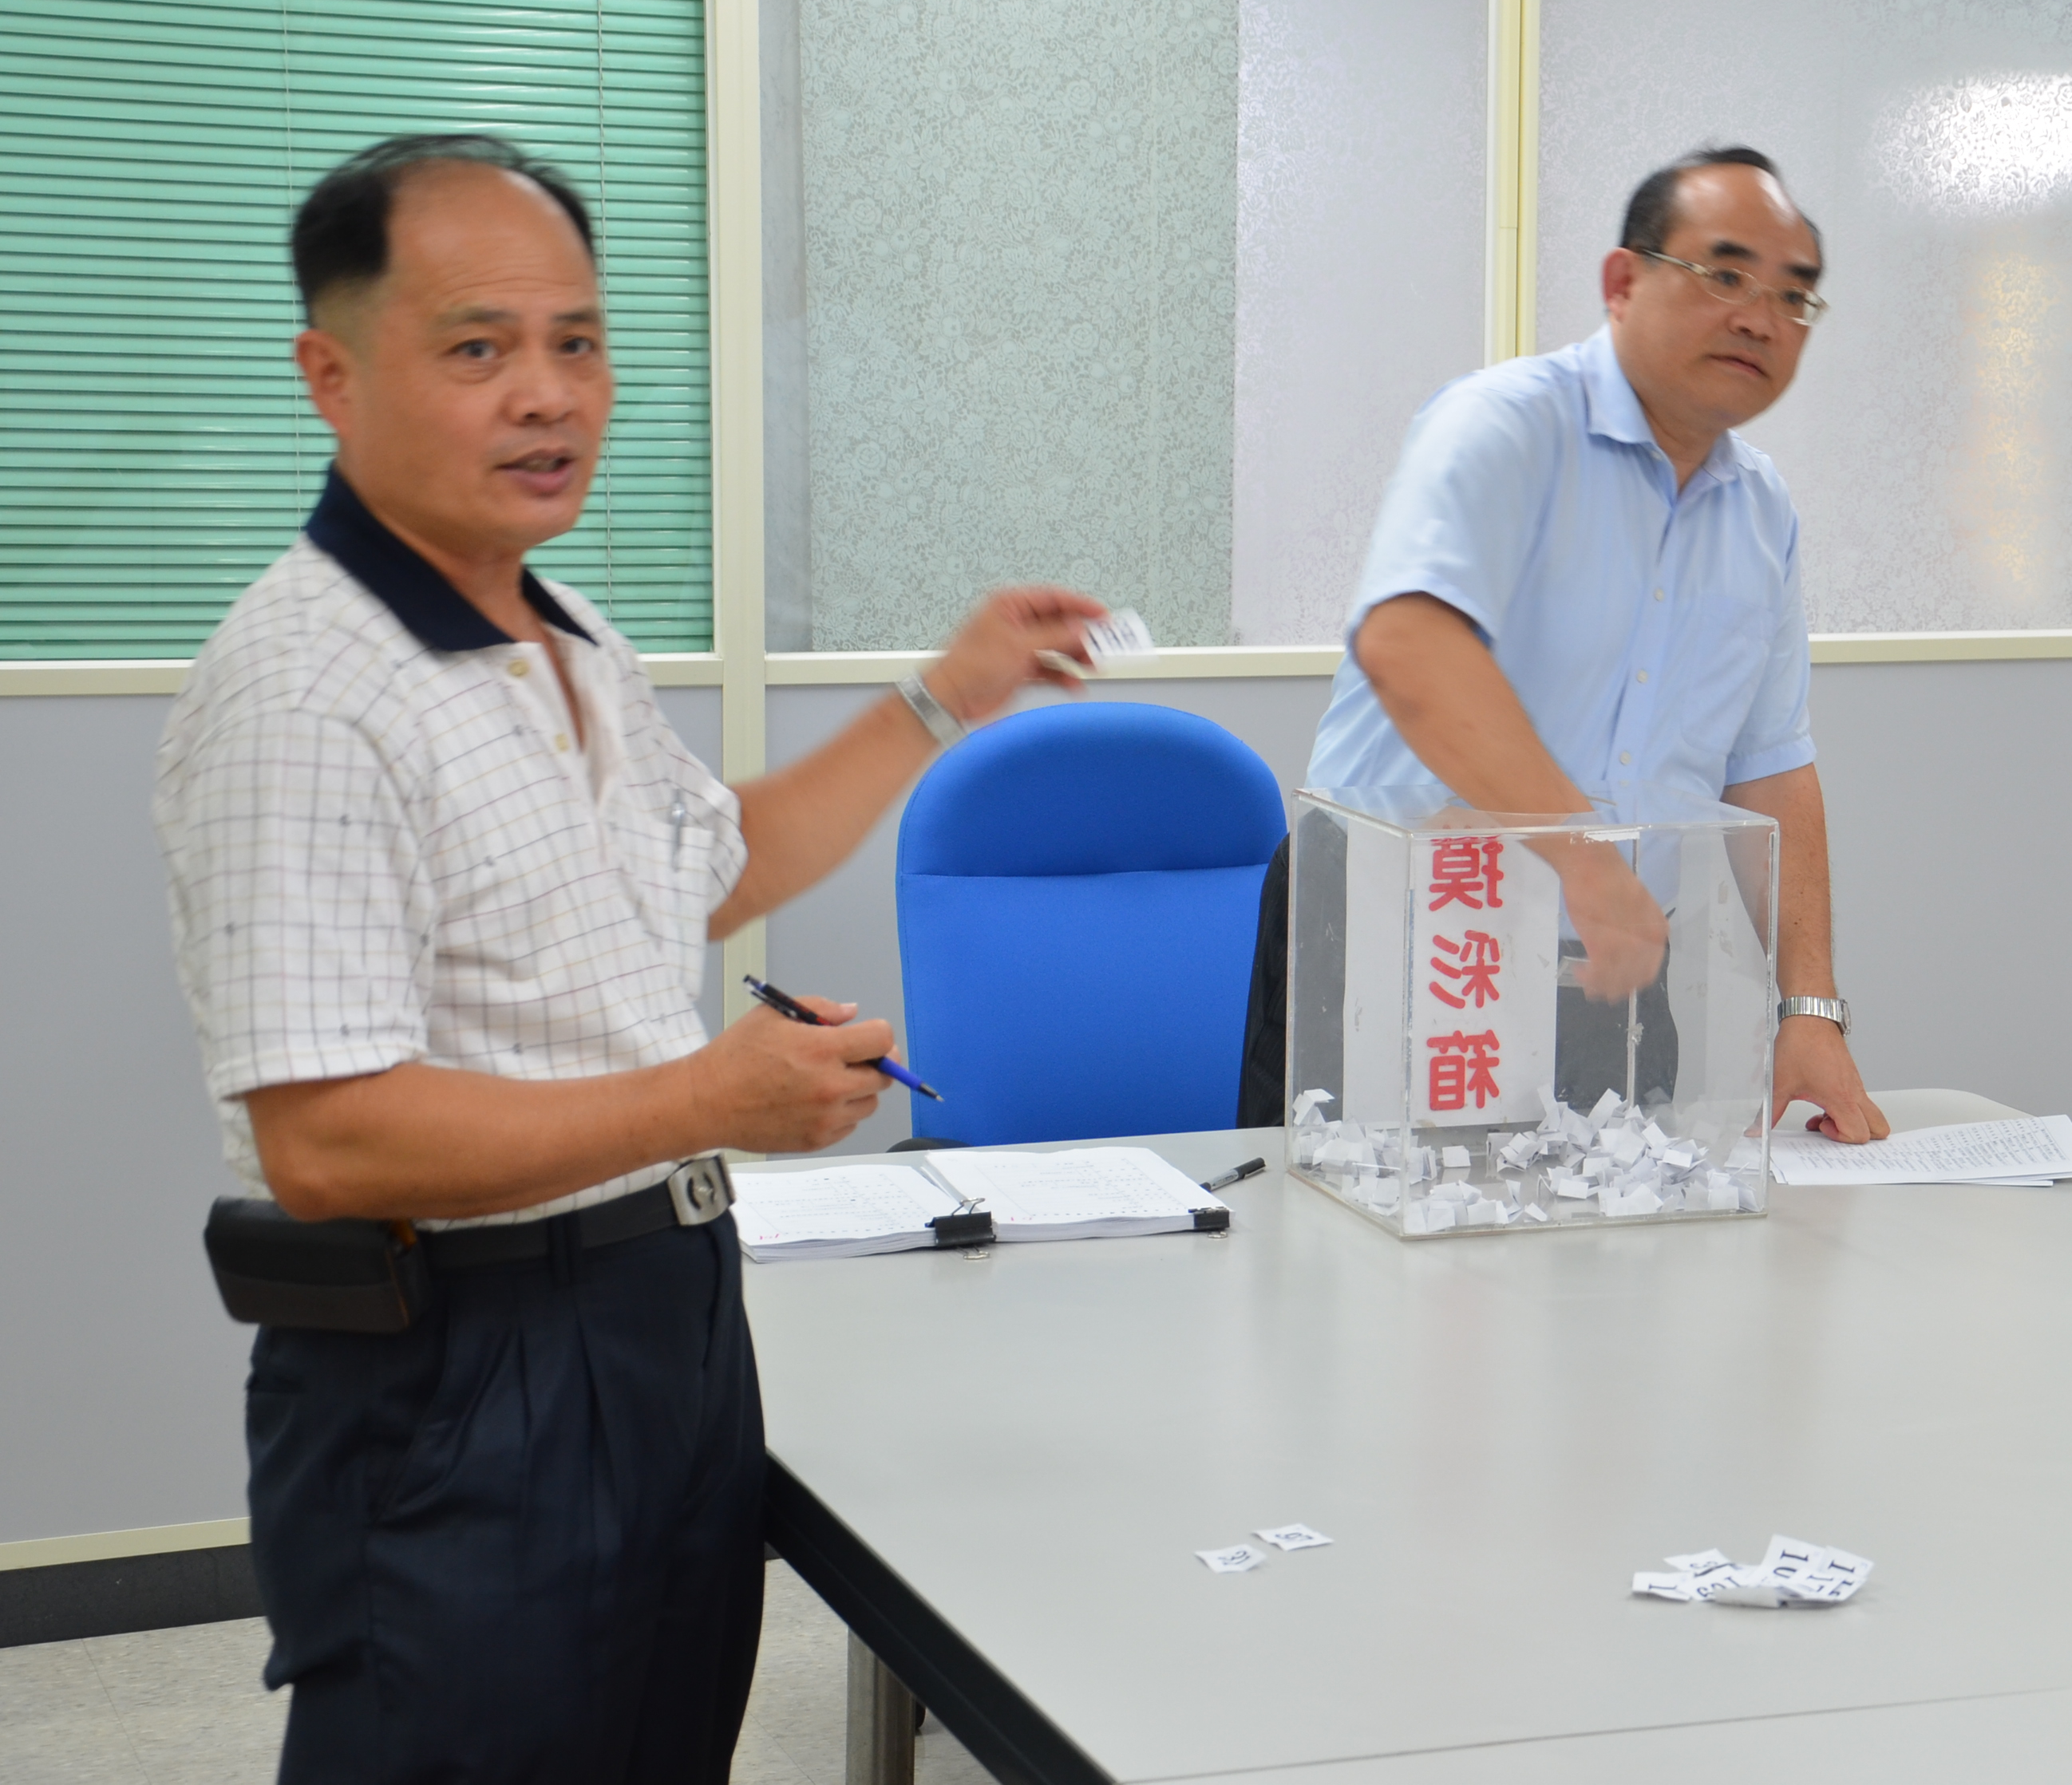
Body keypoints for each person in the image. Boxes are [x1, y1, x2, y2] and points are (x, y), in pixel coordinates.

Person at [152, 134, 1102, 1782]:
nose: (548, 393)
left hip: (664, 1325)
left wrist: (951, 693)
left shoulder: (563, 628)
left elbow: (709, 867)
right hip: (461, 1366)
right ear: (332, 374)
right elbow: (329, 1137)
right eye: (478, 347)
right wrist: (703, 1095)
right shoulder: (304, 689)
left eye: (577, 341)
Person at [1240, 146, 1886, 1143]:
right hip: (1406, 943)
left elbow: (1773, 770)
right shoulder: (1502, 426)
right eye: (1724, 275)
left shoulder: (1761, 511)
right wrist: (1586, 862)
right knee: (1359, 1276)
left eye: (1794, 297)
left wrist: (1810, 1012)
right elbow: (1410, 644)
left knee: (1609, 1271)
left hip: (1614, 967)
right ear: (1622, 282)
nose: (1760, 316)